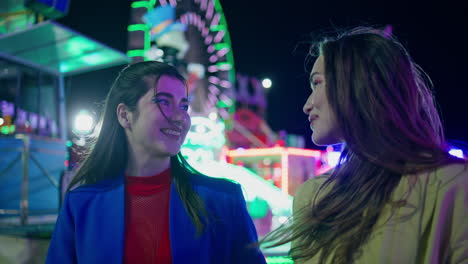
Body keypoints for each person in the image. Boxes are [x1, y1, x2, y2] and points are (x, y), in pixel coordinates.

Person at [262, 27, 468, 264]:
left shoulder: (454, 186)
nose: (307, 105)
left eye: (317, 83)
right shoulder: (311, 197)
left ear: (356, 84)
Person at [46, 61, 266, 264]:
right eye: (163, 102)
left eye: (183, 105)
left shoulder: (224, 200)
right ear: (124, 115)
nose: (180, 117)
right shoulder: (81, 205)